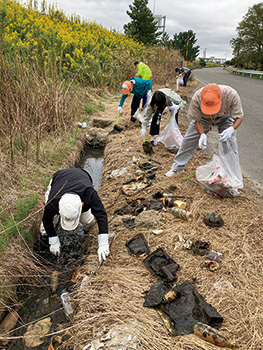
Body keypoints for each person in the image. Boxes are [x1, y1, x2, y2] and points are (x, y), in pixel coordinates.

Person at [165, 84, 244, 177]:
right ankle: (177, 168)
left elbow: (239, 117)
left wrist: (232, 129)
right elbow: (197, 120)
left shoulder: (231, 94)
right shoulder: (197, 98)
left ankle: (233, 173)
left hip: (224, 117)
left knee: (230, 143)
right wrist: (202, 134)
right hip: (203, 118)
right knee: (188, 140)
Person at [40, 168, 110, 263]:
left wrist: (103, 242)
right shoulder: (53, 201)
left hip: (82, 177)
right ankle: (44, 242)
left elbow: (101, 215)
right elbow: (46, 220)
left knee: (88, 222)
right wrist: (53, 240)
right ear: (59, 209)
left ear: (82, 205)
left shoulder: (89, 194)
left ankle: (86, 237)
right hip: (59, 180)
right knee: (46, 227)